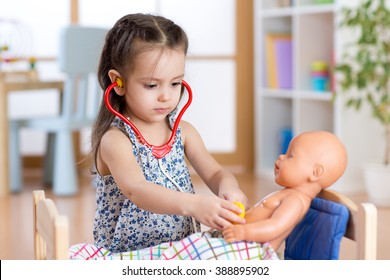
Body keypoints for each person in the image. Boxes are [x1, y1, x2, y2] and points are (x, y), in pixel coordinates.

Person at [90, 13, 247, 253]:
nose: (166, 95)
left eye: (175, 83)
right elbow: (137, 189)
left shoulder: (184, 132)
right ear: (118, 82)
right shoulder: (115, 140)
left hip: (178, 250)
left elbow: (215, 172)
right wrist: (195, 205)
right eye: (152, 85)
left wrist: (229, 187)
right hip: (129, 255)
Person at [222, 130, 348, 252]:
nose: (281, 156)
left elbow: (275, 226)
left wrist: (243, 232)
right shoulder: (289, 193)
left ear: (315, 172)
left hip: (250, 251)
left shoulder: (295, 201)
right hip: (239, 240)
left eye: (291, 155)